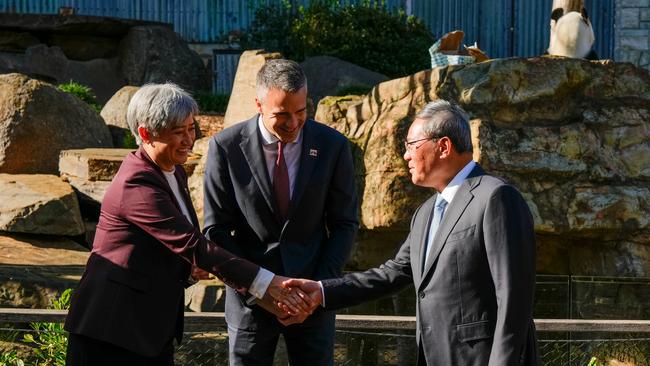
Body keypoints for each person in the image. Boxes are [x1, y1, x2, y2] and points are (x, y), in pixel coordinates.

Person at [64, 83, 304, 365]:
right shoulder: (136, 182)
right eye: (178, 132)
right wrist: (267, 282)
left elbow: (176, 247)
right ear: (145, 134)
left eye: (191, 128)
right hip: (111, 331)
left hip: (149, 330)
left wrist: (190, 270)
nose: (189, 139)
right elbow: (192, 244)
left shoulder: (173, 171)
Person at [284, 100, 539, 365]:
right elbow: (392, 273)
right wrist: (322, 291)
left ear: (443, 147)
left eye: (411, 146)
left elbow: (514, 297)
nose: (405, 156)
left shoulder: (495, 197)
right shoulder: (425, 213)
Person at [203, 59, 358, 365]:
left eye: (301, 112)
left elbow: (344, 223)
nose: (293, 123)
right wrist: (261, 289)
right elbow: (215, 231)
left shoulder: (333, 146)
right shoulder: (226, 146)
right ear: (258, 104)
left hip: (311, 298)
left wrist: (316, 292)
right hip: (250, 301)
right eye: (281, 114)